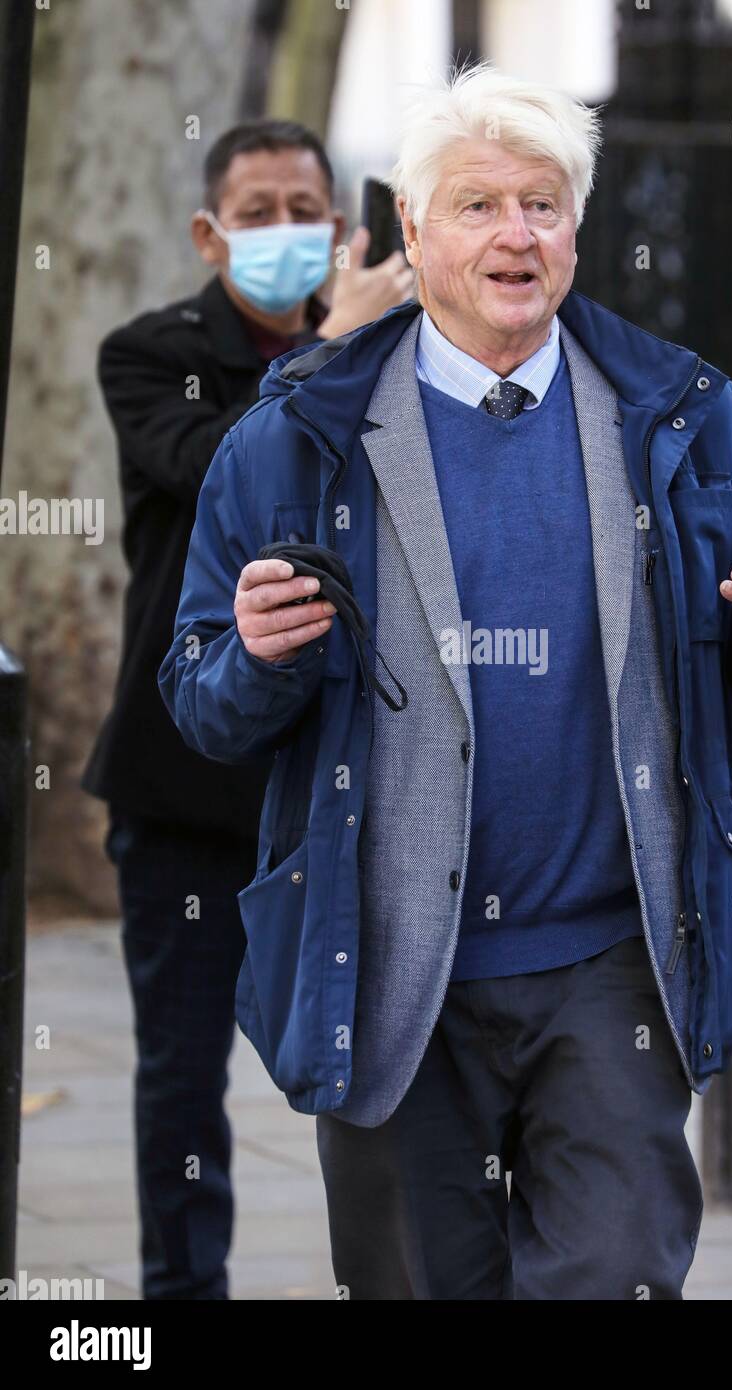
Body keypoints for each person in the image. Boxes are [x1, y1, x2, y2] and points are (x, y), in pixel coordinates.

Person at [158, 66, 732, 1300]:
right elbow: (201, 699)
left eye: (542, 204)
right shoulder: (295, 435)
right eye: (477, 205)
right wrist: (257, 659)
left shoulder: (683, 416)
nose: (516, 235)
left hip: (612, 961)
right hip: (381, 976)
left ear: (576, 230)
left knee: (618, 1269)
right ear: (412, 231)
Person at [82, 117, 414, 1300]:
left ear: (343, 223)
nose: (287, 231)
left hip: (335, 785)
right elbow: (214, 463)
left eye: (305, 209)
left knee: (382, 1058)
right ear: (208, 233)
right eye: (258, 210)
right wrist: (332, 341)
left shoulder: (396, 357)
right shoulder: (148, 351)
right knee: (180, 1075)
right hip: (185, 785)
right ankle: (182, 1295)